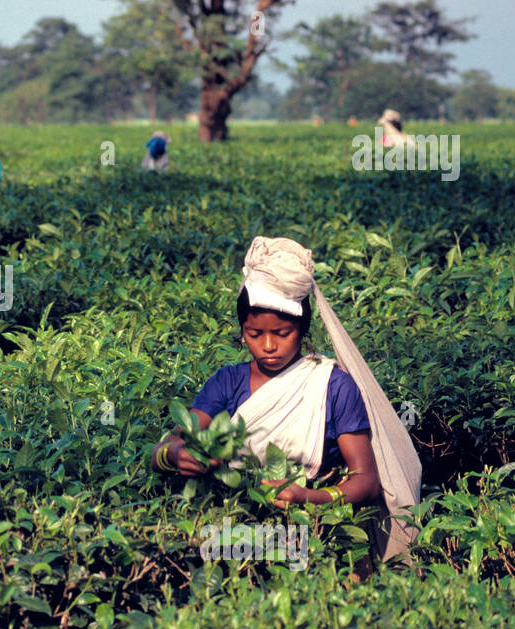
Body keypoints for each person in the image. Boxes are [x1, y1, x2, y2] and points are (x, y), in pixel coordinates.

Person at [150, 236, 421, 564]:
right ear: (242, 330)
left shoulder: (332, 385)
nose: (267, 346)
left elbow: (366, 481)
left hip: (320, 533)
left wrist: (312, 497)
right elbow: (164, 448)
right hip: (236, 526)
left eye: (282, 334)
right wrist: (176, 454)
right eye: (254, 334)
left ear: (303, 328)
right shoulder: (227, 382)